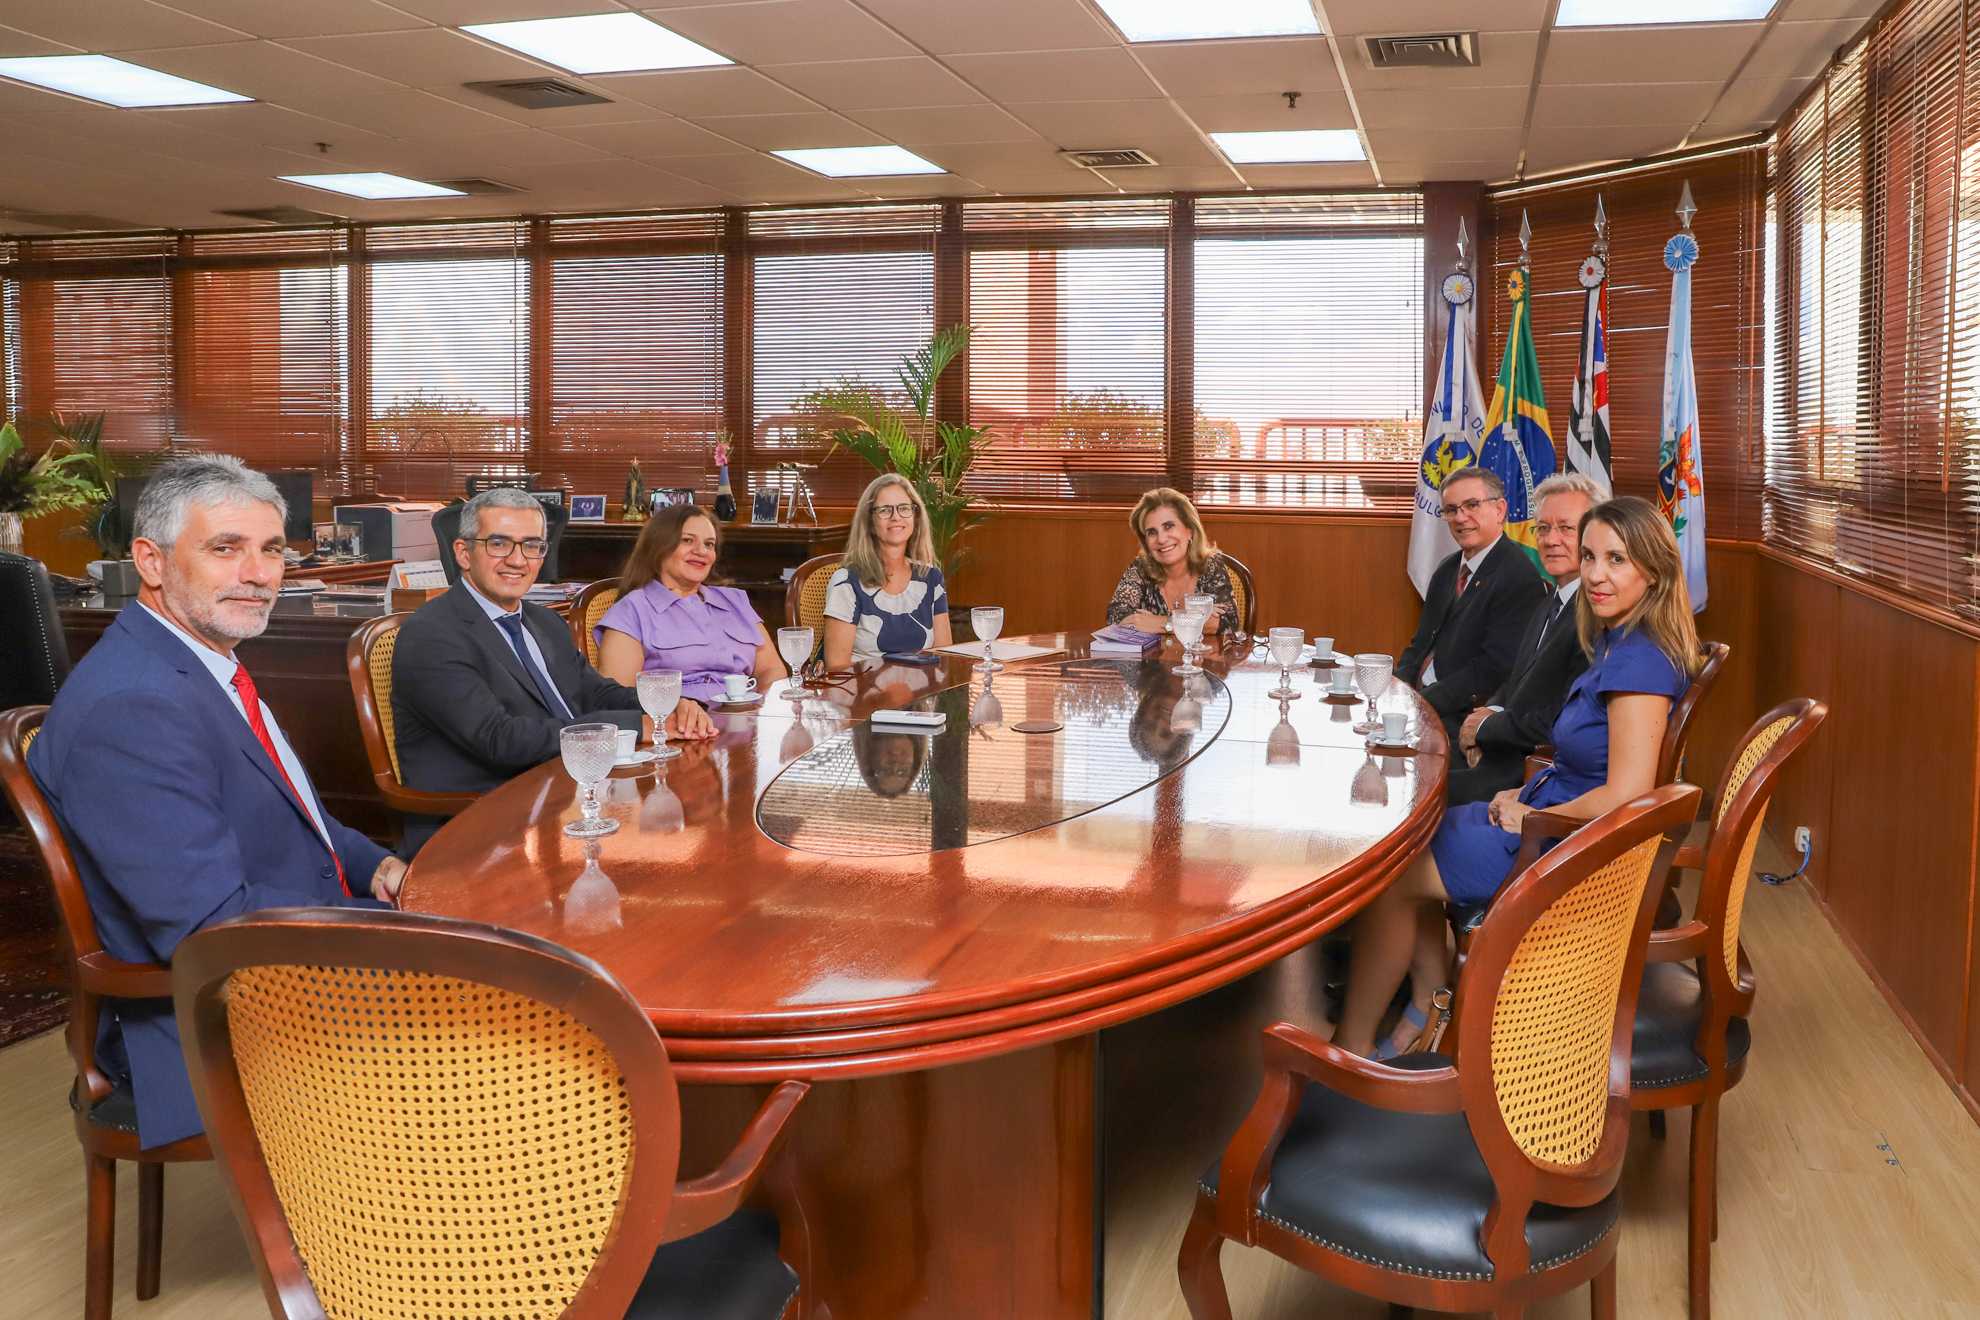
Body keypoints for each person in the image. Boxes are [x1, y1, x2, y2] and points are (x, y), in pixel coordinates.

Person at [27, 456, 399, 1149]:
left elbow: (298, 817)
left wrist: (385, 871)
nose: (257, 574)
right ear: (152, 560)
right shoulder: (136, 704)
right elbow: (209, 925)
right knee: (532, 1036)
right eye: (224, 549)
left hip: (286, 960)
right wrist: (395, 929)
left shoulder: (201, 662)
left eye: (271, 551)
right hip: (207, 1024)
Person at [1333, 496, 1702, 1059]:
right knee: (1403, 843)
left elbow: (1630, 794)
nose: (1595, 575)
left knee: (1391, 875)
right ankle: (1428, 1011)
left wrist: (1532, 814)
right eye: (1589, 557)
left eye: (1616, 560)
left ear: (1653, 571)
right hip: (1549, 811)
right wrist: (1527, 788)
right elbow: (1593, 754)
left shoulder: (1639, 662)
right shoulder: (1619, 638)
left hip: (1565, 847)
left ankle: (1354, 1046)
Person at [391, 487, 709, 856]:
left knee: (689, 834)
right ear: (464, 553)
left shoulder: (543, 621)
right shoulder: (432, 635)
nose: (517, 559)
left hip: (564, 802)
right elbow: (500, 740)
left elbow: (595, 693)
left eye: (532, 545)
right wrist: (637, 725)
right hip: (481, 832)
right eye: (499, 543)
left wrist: (671, 705)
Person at [1447, 472, 1604, 805]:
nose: (1550, 540)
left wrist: (1486, 730)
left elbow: (1562, 719)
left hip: (1528, 775)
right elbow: (1516, 679)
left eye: (1566, 528)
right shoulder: (1552, 599)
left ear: (1596, 536)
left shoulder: (1595, 617)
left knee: (1413, 793)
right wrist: (1486, 712)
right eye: (1543, 528)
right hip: (1497, 752)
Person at [593, 503, 785, 712]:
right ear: (659, 546)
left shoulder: (735, 601)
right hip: (681, 730)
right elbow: (618, 698)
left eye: (709, 544)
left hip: (746, 721)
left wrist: (764, 708)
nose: (701, 551)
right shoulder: (632, 611)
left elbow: (771, 668)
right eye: (687, 540)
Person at [1394, 467, 1550, 724]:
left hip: (1458, 713)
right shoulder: (1448, 567)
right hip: (1416, 701)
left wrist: (1420, 704)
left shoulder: (1518, 577)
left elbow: (1493, 669)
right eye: (1451, 510)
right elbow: (1420, 643)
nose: (1460, 517)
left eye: (1472, 505)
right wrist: (1394, 689)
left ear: (1500, 510)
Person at [823, 473, 954, 668]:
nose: (896, 517)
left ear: (915, 518)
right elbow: (836, 667)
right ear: (869, 522)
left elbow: (943, 657)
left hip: (921, 693)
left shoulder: (931, 577)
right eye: (884, 510)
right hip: (865, 693)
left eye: (904, 508)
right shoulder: (847, 581)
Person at [1105, 488, 1238, 635]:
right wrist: (1195, 619)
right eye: (1152, 532)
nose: (1161, 540)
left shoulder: (1211, 566)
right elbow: (1116, 618)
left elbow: (1227, 622)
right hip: (1153, 658)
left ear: (1189, 530)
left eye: (1169, 526)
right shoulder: (1140, 568)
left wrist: (1162, 623)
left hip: (1201, 657)